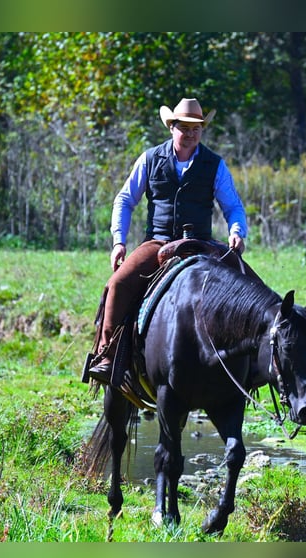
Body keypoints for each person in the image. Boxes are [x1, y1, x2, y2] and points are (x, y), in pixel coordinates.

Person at [87, 98, 249, 384]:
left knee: (248, 283)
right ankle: (108, 356)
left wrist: (237, 231)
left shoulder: (215, 164)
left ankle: (253, 364)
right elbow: (124, 200)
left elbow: (232, 206)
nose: (191, 133)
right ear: (171, 127)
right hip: (158, 242)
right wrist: (118, 241)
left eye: (197, 128)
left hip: (201, 242)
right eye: (184, 127)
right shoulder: (150, 159)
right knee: (118, 284)